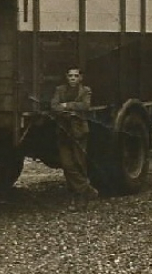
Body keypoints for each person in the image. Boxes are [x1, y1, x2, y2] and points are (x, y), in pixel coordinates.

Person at [50, 67, 98, 208]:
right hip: (64, 131)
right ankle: (87, 189)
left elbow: (85, 106)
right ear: (66, 77)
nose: (73, 78)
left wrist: (66, 105)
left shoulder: (85, 91)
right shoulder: (60, 90)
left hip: (79, 132)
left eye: (76, 76)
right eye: (70, 76)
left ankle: (79, 197)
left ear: (80, 78)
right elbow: (54, 106)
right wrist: (72, 109)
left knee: (79, 163)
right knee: (67, 164)